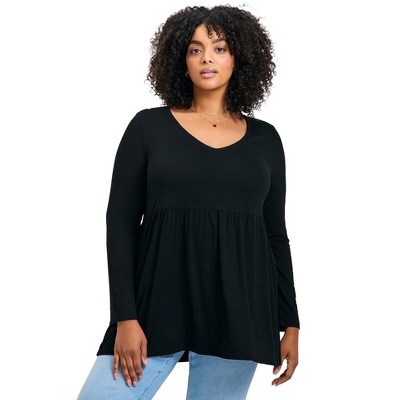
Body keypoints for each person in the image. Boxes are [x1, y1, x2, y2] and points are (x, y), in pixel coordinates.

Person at [76, 5, 300, 400]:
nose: (207, 58)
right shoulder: (148, 127)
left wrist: (291, 323)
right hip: (157, 305)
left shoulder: (266, 139)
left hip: (240, 311)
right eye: (195, 49)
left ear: (240, 57)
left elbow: (274, 235)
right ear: (181, 61)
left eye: (219, 48)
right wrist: (124, 316)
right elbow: (121, 224)